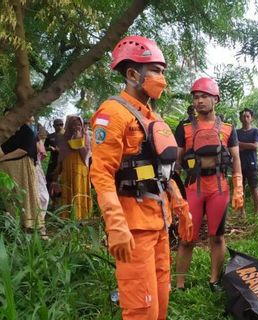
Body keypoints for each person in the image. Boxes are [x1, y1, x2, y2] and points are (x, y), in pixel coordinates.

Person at [89, 35, 193, 319]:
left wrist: (181, 208)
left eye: (163, 71)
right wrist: (116, 225)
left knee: (160, 302)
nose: (163, 79)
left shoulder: (152, 117)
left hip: (160, 224)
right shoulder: (112, 114)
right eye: (156, 71)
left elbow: (164, 172)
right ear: (133, 74)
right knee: (141, 308)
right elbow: (101, 173)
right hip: (133, 229)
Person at [174, 77, 244, 291]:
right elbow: (176, 162)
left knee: (217, 236)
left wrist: (238, 187)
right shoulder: (184, 127)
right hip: (193, 187)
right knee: (187, 238)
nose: (199, 101)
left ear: (216, 99)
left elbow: (236, 159)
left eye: (204, 96)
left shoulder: (228, 128)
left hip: (219, 188)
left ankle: (214, 280)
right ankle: (179, 284)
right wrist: (173, 191)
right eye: (196, 97)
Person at [0, 116, 44, 236]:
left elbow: (23, 150)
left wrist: (3, 158)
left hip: (22, 168)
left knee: (27, 194)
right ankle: (16, 227)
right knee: (11, 196)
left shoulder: (26, 131)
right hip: (7, 170)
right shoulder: (7, 132)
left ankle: (33, 226)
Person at [55, 115, 92, 219]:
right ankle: (67, 216)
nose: (77, 127)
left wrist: (78, 141)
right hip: (67, 168)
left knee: (79, 189)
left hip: (80, 168)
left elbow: (85, 155)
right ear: (69, 125)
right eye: (74, 125)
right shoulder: (64, 138)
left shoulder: (85, 136)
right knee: (68, 189)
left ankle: (80, 216)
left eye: (79, 124)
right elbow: (61, 156)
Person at [236, 108, 258, 216]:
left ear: (251, 118)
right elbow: (234, 147)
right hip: (239, 164)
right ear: (240, 118)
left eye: (248, 116)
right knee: (240, 188)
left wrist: (240, 144)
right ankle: (242, 212)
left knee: (254, 188)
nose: (245, 118)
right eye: (243, 116)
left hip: (252, 164)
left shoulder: (256, 131)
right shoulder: (236, 132)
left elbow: (255, 146)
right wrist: (249, 146)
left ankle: (257, 212)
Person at [45, 118, 64, 204]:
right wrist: (50, 148)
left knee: (61, 181)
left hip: (63, 161)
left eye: (61, 124)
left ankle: (62, 201)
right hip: (53, 161)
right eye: (58, 125)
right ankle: (53, 201)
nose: (60, 126)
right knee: (49, 180)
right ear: (53, 126)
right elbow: (44, 147)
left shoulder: (66, 136)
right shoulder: (50, 136)